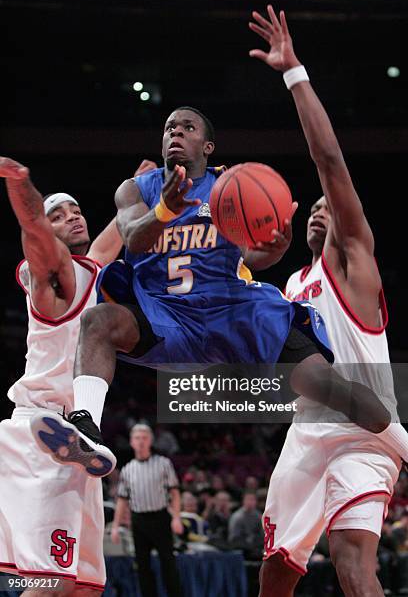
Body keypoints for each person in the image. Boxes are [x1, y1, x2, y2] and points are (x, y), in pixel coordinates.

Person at [34, 93, 402, 471]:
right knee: (99, 321)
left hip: (231, 312)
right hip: (167, 317)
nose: (175, 131)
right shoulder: (136, 188)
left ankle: (395, 435)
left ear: (207, 146)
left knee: (332, 389)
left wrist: (277, 250)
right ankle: (86, 430)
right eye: (169, 128)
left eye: (187, 127)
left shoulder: (228, 187)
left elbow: (252, 258)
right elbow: (133, 237)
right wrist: (164, 211)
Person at [248, 5, 404, 596]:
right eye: (309, 206)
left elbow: (329, 162)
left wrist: (294, 74)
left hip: (368, 426)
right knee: (277, 569)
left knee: (351, 560)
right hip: (307, 429)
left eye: (326, 206)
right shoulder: (289, 288)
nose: (320, 208)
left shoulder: (354, 258)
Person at [0, 156, 155, 596]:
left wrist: (145, 181)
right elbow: (32, 225)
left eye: (75, 211)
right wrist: (21, 183)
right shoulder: (50, 278)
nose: (72, 217)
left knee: (84, 587)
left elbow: (113, 239)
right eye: (58, 215)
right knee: (50, 585)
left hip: (76, 444)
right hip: (41, 434)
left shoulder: (87, 270)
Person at [111, 424, 184, 597]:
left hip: (160, 517)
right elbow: (122, 500)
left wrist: (176, 517)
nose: (141, 442)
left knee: (169, 563)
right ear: (131, 442)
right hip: (139, 520)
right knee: (142, 566)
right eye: (137, 438)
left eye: (144, 438)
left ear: (150, 441)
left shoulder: (163, 463)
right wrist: (115, 526)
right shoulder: (128, 469)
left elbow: (174, 492)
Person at [228, 491, 264, 559]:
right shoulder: (237, 517)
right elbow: (234, 538)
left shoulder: (258, 516)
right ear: (243, 501)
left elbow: (262, 534)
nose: (250, 502)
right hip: (242, 548)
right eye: (248, 499)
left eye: (253, 499)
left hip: (255, 547)